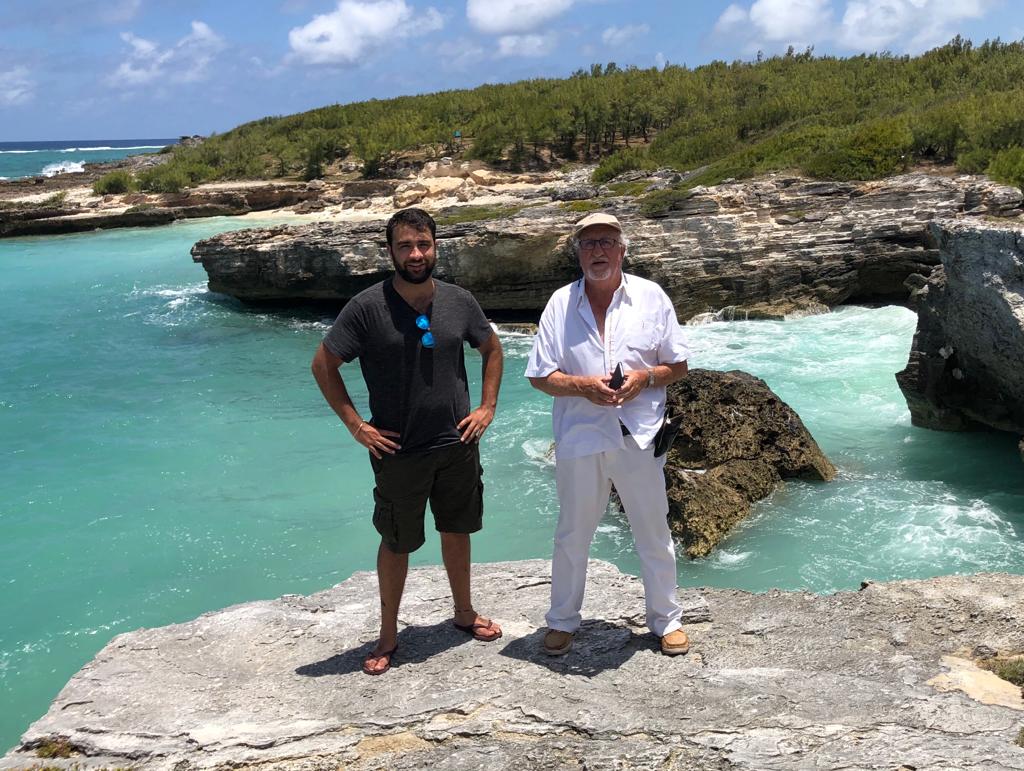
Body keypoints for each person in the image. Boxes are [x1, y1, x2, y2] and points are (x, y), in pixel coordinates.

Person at [311, 207, 504, 675]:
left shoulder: (459, 301)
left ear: (435, 247)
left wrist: (487, 407)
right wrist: (356, 425)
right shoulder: (366, 307)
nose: (416, 254)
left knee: (457, 528)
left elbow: (492, 348)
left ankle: (464, 613)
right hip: (398, 452)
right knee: (396, 542)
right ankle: (388, 634)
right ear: (391, 251)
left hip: (457, 444)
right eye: (405, 246)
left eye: (423, 245)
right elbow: (323, 365)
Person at [525, 212, 691, 657]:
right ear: (578, 253)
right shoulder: (560, 303)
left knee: (652, 529)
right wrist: (582, 386)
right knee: (572, 533)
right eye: (588, 243)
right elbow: (540, 376)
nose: (597, 250)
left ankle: (667, 620)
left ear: (622, 250)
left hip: (639, 434)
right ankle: (562, 621)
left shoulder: (652, 297)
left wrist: (644, 378)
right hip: (580, 435)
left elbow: (678, 365)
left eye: (606, 242)